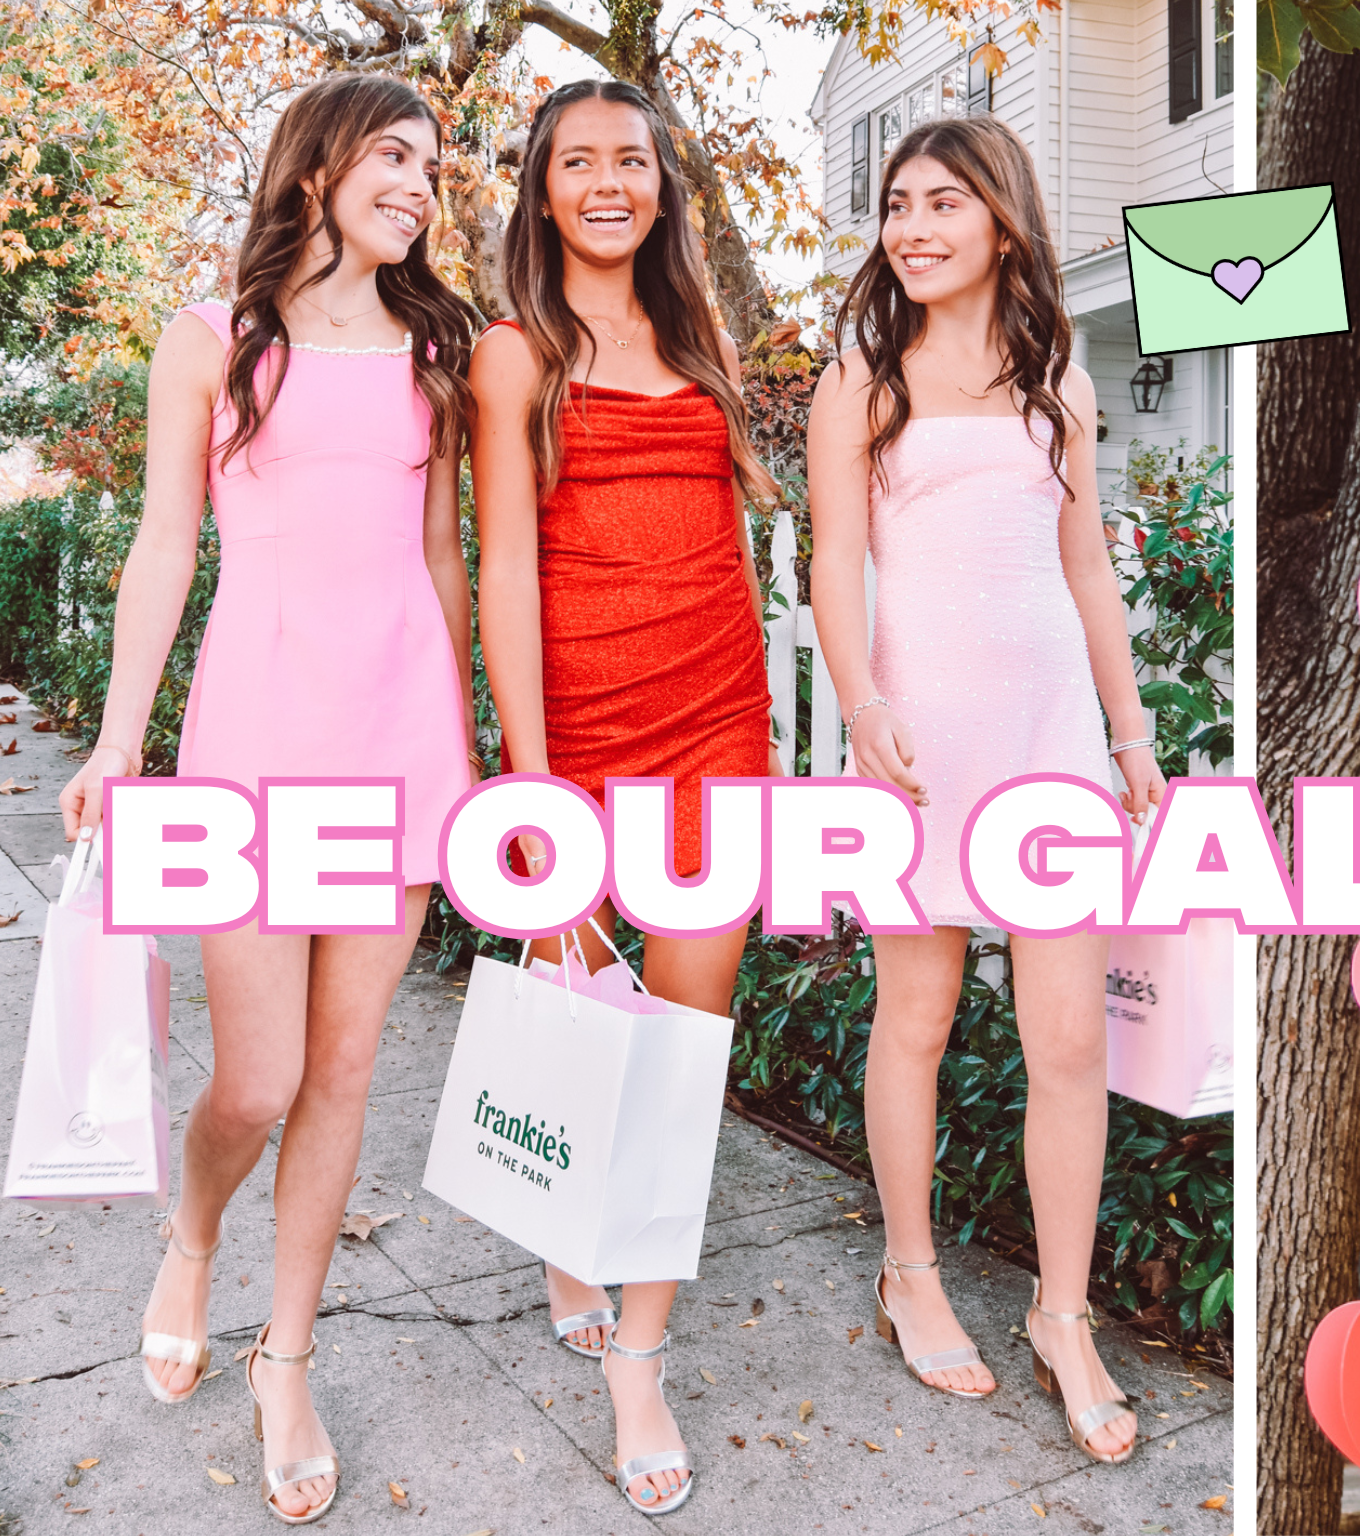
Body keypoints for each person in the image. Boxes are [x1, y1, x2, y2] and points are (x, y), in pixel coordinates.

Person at [58, 71, 481, 1526]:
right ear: (314, 168)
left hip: (400, 738)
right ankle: (194, 1232)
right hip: (251, 739)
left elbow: (442, 561)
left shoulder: (437, 345)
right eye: (395, 157)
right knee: (258, 1079)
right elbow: (164, 547)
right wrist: (119, 743)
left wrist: (465, 756)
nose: (423, 185)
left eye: (434, 168)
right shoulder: (210, 339)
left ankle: (285, 1354)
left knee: (348, 1073)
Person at [802, 112, 1162, 1463]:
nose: (913, 225)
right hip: (920, 742)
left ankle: (1061, 1317)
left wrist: (1129, 733)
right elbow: (837, 563)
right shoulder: (862, 377)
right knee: (920, 1018)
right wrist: (864, 705)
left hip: (1049, 737)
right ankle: (911, 1273)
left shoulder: (1055, 380)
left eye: (944, 200)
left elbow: (1087, 572)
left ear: (1002, 219)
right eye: (898, 203)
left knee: (1068, 1042)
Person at [466, 77, 781, 1516]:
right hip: (578, 729)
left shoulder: (703, 337)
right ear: (542, 190)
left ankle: (637, 1360)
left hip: (713, 720)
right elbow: (507, 571)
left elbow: (729, 538)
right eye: (578, 162)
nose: (609, 181)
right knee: (576, 1023)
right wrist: (527, 778)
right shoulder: (514, 353)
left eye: (632, 161)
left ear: (663, 186)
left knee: (681, 1048)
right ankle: (559, 1238)